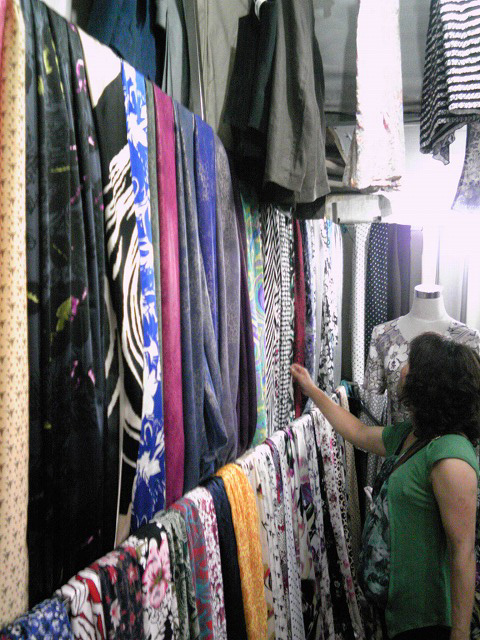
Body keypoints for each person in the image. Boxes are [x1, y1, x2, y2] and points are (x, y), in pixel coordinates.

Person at [291, 332, 480, 640]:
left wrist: (459, 634)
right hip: (400, 612)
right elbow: (357, 432)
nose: (402, 367)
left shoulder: (451, 457)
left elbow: (463, 552)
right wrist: (312, 389)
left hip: (429, 620)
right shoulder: (413, 436)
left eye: (411, 363)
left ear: (429, 383)